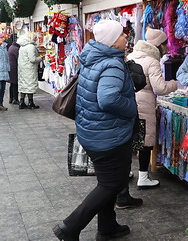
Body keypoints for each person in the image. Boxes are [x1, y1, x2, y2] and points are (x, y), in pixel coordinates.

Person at [53, 20, 137, 241]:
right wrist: (132, 108)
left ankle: (107, 227)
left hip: (93, 130)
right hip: (109, 135)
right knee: (112, 184)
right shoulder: (111, 64)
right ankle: (70, 227)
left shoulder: (93, 57)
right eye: (121, 35)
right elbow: (108, 99)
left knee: (107, 183)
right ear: (111, 40)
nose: (125, 38)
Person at [124, 28, 178, 190]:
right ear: (158, 45)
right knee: (146, 141)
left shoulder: (131, 56)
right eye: (164, 44)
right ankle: (143, 177)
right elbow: (160, 88)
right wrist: (175, 84)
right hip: (145, 103)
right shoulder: (152, 61)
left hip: (130, 101)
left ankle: (125, 172)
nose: (166, 48)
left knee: (131, 139)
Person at [17, 32, 42, 109]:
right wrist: (41, 58)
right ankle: (31, 102)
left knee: (23, 85)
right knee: (30, 85)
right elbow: (32, 59)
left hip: (22, 68)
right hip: (29, 69)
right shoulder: (31, 46)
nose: (36, 38)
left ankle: (22, 101)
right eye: (35, 37)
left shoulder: (22, 46)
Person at [8, 34, 20, 104]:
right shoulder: (16, 49)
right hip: (14, 68)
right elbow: (18, 59)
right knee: (15, 84)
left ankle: (11, 98)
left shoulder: (11, 47)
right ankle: (15, 99)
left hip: (11, 67)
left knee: (12, 84)